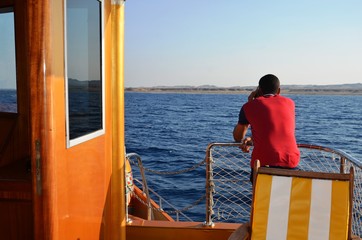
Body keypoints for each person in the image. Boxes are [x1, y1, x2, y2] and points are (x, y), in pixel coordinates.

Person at [233, 74, 300, 182]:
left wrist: (250, 103)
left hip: (263, 163)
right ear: (279, 91)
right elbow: (272, 128)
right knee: (286, 198)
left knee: (262, 198)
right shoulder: (290, 103)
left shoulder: (249, 106)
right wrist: (252, 138)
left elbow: (238, 137)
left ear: (259, 90)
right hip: (290, 161)